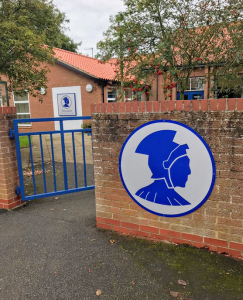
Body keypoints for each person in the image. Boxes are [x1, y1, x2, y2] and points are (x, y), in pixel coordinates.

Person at [135, 130, 191, 206]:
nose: (189, 172)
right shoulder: (179, 203)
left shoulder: (141, 193)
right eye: (184, 166)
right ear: (165, 167)